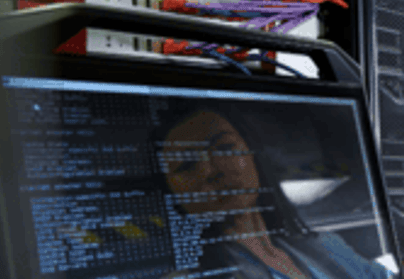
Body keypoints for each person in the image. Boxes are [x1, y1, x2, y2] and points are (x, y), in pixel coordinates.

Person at [155, 106, 391, 279]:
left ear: (253, 156)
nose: (210, 171)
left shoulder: (325, 244)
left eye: (224, 148)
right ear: (173, 194)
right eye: (186, 165)